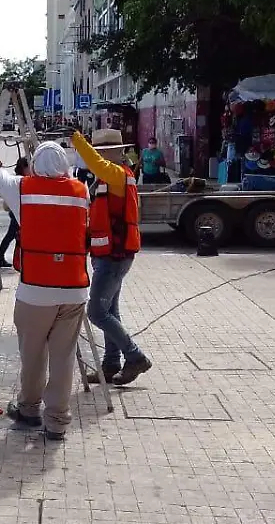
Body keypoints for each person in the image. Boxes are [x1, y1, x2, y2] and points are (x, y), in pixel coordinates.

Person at [0, 141, 90, 441]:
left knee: (32, 355)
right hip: (73, 289)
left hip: (35, 291)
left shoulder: (23, 189)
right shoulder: (80, 191)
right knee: (63, 358)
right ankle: (57, 422)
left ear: (34, 166)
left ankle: (29, 409)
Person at [71, 128, 153, 386]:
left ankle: (135, 356)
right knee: (110, 311)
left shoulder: (116, 174)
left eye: (102, 153)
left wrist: (77, 140)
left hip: (114, 257)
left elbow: (96, 163)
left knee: (96, 312)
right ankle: (110, 365)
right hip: (109, 254)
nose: (98, 158)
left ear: (114, 154)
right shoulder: (108, 178)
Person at [0, 157, 29, 267]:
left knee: (13, 236)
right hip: (17, 211)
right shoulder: (19, 180)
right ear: (24, 168)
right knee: (11, 235)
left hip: (20, 211)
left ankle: (3, 256)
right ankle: (0, 257)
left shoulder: (24, 179)